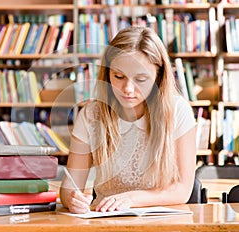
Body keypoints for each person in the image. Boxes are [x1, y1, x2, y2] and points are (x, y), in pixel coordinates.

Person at [59, 26, 196, 214]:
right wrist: (72, 199)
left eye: (141, 79)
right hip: (105, 222)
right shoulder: (92, 115)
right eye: (119, 76)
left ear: (158, 76)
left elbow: (182, 190)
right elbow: (70, 187)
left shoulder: (177, 111)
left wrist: (132, 198)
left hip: (163, 222)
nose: (128, 89)